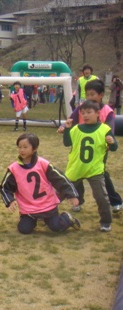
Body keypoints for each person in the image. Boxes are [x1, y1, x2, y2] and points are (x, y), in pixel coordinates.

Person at [58, 79, 122, 213]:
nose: (90, 97)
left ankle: (115, 201)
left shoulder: (107, 111)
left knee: (101, 175)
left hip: (98, 149)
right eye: (87, 94)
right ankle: (79, 200)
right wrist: (64, 127)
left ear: (101, 95)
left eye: (92, 94)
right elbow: (71, 120)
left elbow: (110, 129)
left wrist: (109, 141)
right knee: (77, 173)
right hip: (80, 145)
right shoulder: (82, 108)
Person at [0, 133, 80, 234]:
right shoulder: (14, 169)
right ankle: (32, 220)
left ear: (34, 148)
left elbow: (60, 179)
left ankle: (66, 218)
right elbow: (4, 187)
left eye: (25, 147)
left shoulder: (43, 164)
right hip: (28, 208)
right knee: (24, 230)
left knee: (56, 227)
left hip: (47, 204)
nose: (22, 150)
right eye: (19, 147)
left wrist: (71, 195)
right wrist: (10, 201)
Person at [63, 100, 117, 232]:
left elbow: (114, 147)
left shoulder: (105, 129)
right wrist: (67, 129)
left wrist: (112, 142)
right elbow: (66, 143)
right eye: (83, 113)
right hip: (76, 167)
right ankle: (44, 213)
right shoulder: (76, 128)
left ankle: (105, 222)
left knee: (101, 197)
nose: (85, 115)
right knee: (63, 191)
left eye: (89, 112)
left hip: (95, 170)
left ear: (98, 113)